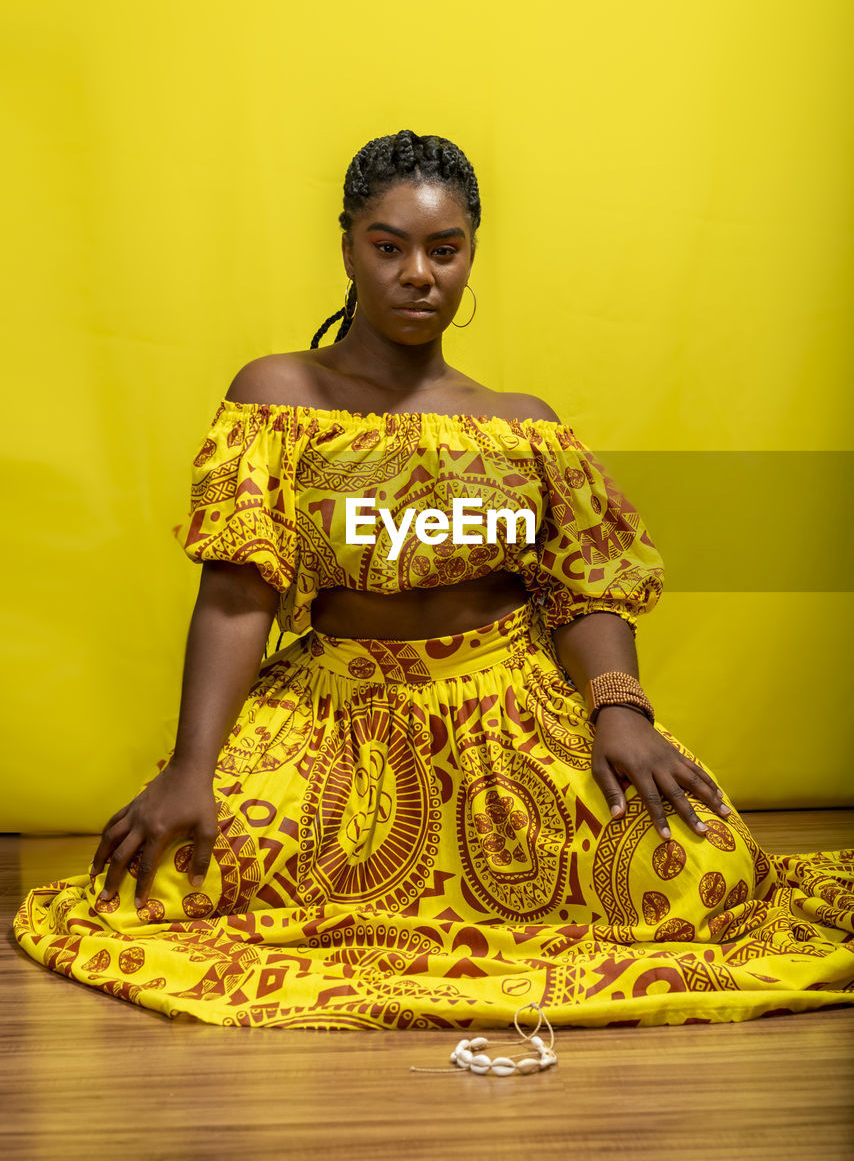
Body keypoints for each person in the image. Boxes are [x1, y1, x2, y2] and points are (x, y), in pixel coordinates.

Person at [13, 130, 854, 1030]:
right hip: (334, 714)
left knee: (701, 869)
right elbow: (236, 595)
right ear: (347, 249)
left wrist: (620, 709)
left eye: (443, 250)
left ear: (469, 257)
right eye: (389, 247)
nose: (419, 273)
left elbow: (586, 587)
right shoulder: (277, 395)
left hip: (506, 711)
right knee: (169, 883)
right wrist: (191, 767)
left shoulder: (521, 424)